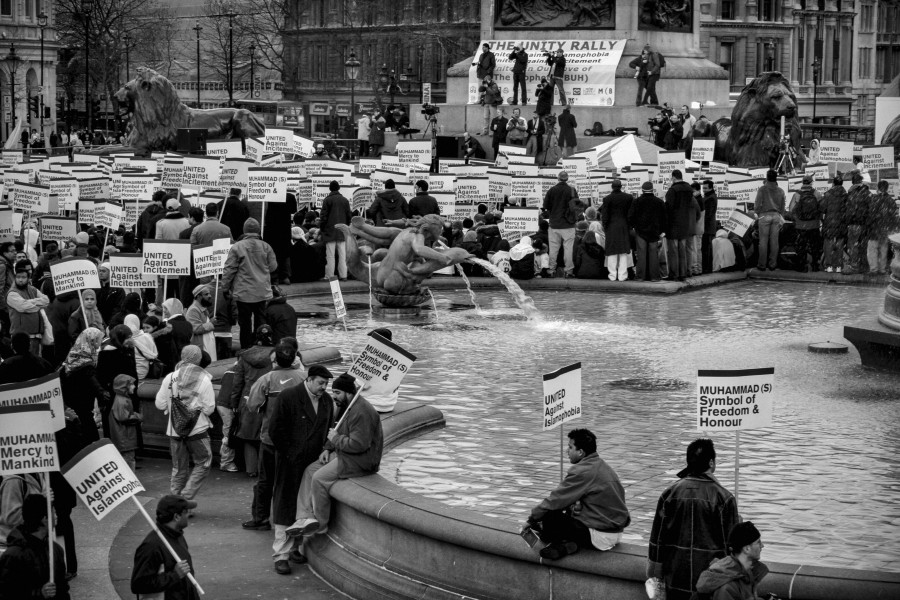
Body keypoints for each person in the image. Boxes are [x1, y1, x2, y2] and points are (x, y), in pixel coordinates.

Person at [285, 372, 384, 556]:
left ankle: (320, 525)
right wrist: (328, 448)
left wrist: (336, 439)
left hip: (359, 461)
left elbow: (358, 445)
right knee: (309, 470)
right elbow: (338, 431)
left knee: (319, 478)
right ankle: (304, 517)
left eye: (337, 392)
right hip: (343, 454)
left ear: (347, 392)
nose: (334, 396)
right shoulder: (348, 406)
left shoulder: (361, 411)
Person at [648, 438, 740, 600]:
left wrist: (655, 577)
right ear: (711, 463)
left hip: (675, 579)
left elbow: (657, 542)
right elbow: (732, 548)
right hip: (709, 581)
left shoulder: (669, 494)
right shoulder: (724, 498)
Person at [522, 429, 630, 560]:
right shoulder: (604, 467)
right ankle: (567, 545)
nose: (567, 451)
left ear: (580, 452)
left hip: (598, 536)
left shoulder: (582, 471)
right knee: (564, 513)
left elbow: (554, 501)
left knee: (550, 517)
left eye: (570, 447)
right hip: (615, 534)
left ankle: (563, 543)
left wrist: (531, 520)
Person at [268, 364, 334, 575]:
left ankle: (295, 547)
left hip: (312, 463)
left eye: (327, 384)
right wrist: (289, 453)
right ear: (309, 379)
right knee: (285, 506)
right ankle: (281, 554)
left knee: (303, 508)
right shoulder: (288, 397)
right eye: (321, 383)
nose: (324, 387)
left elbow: (328, 430)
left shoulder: (327, 401)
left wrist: (326, 448)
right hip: (290, 462)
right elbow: (275, 429)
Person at [241, 339, 303, 531]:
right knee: (290, 483)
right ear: (294, 358)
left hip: (269, 438)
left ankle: (260, 519)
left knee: (265, 480)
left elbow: (252, 406)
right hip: (295, 440)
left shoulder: (266, 379)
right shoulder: (304, 378)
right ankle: (288, 519)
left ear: (275, 359)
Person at [154, 346, 216, 503]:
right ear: (198, 359)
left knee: (178, 468)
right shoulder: (204, 379)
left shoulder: (170, 377)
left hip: (174, 430)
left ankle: (175, 502)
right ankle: (185, 498)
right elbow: (209, 409)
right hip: (198, 430)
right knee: (204, 462)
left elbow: (160, 404)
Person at [221, 218, 278, 349]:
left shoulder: (237, 247)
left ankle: (246, 348)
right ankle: (260, 346)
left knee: (245, 323)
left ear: (244, 230)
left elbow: (229, 269)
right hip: (262, 291)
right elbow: (273, 267)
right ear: (258, 230)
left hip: (243, 292)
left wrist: (225, 287)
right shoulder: (266, 246)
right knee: (260, 321)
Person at [0, 494, 69, 600]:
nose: (56, 516)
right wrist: (39, 593)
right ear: (44, 519)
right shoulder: (13, 555)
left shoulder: (55, 549)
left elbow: (63, 588)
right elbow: (7, 593)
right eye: (53, 512)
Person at [131, 495, 199, 600]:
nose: (189, 514)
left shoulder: (177, 535)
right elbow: (139, 585)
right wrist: (175, 575)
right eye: (186, 511)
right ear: (176, 517)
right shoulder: (151, 546)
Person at [695, 522, 770, 600]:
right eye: (758, 542)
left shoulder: (747, 573)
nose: (762, 546)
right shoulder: (727, 587)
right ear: (747, 549)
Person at [6, 262, 49, 356]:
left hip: (36, 334)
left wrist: (30, 303)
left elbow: (46, 300)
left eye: (23, 277)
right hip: (20, 336)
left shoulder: (32, 289)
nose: (20, 280)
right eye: (18, 277)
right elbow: (23, 307)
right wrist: (38, 304)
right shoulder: (12, 293)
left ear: (28, 278)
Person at [543, 171, 580, 278]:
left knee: (553, 249)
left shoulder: (552, 190)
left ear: (558, 178)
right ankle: (569, 270)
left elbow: (546, 206)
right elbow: (577, 206)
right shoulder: (572, 190)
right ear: (567, 179)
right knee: (568, 248)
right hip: (568, 225)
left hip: (554, 224)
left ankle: (551, 269)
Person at [629, 181, 668, 282]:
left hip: (640, 231)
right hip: (654, 231)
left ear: (642, 190)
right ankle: (654, 276)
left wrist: (634, 226)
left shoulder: (636, 201)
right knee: (653, 254)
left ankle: (641, 276)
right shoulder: (659, 202)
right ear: (652, 190)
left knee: (641, 254)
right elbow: (664, 217)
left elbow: (631, 216)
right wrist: (663, 230)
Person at [788, 175, 823, 272]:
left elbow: (791, 209)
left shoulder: (797, 194)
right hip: (814, 224)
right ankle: (815, 265)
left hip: (801, 225)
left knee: (801, 246)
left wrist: (797, 219)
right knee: (815, 245)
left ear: (802, 182)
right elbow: (821, 208)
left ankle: (802, 266)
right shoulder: (816, 193)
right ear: (811, 182)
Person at [753, 170, 786, 272]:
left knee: (763, 241)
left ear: (767, 177)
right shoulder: (780, 191)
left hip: (764, 215)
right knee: (774, 242)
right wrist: (781, 216)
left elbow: (757, 205)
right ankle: (772, 264)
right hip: (776, 216)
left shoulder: (762, 189)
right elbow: (782, 207)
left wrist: (758, 213)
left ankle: (762, 264)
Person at [601, 180, 633, 281]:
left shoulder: (607, 199)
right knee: (623, 252)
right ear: (621, 186)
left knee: (611, 252)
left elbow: (605, 215)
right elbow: (630, 214)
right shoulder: (628, 198)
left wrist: (605, 227)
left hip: (611, 227)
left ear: (612, 187)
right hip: (624, 226)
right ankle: (623, 276)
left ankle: (612, 275)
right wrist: (629, 226)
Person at [320, 181, 352, 280]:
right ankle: (343, 275)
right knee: (343, 255)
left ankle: (330, 276)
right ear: (339, 188)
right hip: (342, 231)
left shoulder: (327, 200)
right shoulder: (345, 200)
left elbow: (323, 217)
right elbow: (349, 216)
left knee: (330, 255)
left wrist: (322, 228)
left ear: (330, 188)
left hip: (330, 231)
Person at [110, 374, 142, 471]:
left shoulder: (121, 398)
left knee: (128, 459)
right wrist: (138, 416)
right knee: (129, 461)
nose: (134, 386)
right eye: (132, 384)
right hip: (125, 437)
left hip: (124, 436)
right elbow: (124, 418)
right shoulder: (122, 400)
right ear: (125, 387)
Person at [867, 180, 899, 275]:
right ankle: (882, 269)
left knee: (872, 249)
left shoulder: (874, 199)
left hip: (874, 229)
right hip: (885, 229)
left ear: (878, 188)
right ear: (887, 188)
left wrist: (870, 224)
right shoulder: (891, 200)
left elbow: (870, 215)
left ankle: (873, 269)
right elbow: (894, 216)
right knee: (883, 249)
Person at [819, 176, 847, 273]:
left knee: (828, 243)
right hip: (841, 222)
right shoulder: (845, 195)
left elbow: (822, 208)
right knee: (839, 244)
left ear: (833, 184)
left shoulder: (828, 194)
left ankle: (829, 266)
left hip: (829, 222)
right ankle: (838, 266)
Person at [844, 173, 871, 274]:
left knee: (853, 245)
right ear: (861, 181)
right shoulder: (867, 192)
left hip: (853, 224)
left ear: (852, 182)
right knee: (864, 245)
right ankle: (864, 266)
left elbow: (847, 209)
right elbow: (870, 208)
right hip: (864, 224)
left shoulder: (850, 193)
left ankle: (854, 265)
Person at [184, 285, 216, 362]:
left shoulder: (202, 307)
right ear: (198, 296)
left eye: (209, 293)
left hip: (208, 345)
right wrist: (211, 323)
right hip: (201, 347)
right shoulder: (193, 310)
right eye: (206, 294)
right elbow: (195, 329)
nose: (210, 296)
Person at [127, 314, 160, 381]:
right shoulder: (147, 337)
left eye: (147, 328)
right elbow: (154, 354)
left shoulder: (125, 338)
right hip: (144, 371)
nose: (145, 330)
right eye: (144, 328)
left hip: (131, 373)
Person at [701, 180, 718, 273]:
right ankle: (707, 267)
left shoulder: (710, 198)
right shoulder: (709, 196)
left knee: (706, 248)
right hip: (708, 227)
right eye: (703, 188)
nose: (704, 190)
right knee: (706, 248)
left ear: (711, 188)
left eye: (705, 188)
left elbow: (708, 214)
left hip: (707, 227)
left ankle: (707, 268)